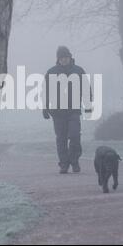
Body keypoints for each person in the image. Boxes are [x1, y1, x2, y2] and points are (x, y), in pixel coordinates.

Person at [43, 46, 91, 174]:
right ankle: (64, 164)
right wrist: (45, 107)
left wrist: (88, 105)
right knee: (61, 138)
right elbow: (46, 91)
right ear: (58, 59)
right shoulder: (51, 72)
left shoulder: (78, 71)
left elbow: (86, 89)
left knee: (75, 135)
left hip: (73, 110)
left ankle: (74, 160)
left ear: (70, 58)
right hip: (57, 111)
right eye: (61, 58)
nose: (64, 60)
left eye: (66, 57)